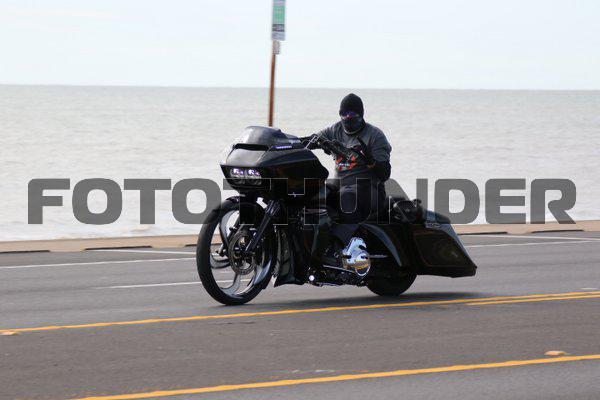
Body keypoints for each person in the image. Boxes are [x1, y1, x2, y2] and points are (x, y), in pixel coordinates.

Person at [305, 93, 392, 265]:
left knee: (347, 195)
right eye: (344, 114)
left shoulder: (375, 136)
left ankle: (341, 249)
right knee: (315, 193)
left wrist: (371, 162)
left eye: (352, 114)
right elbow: (312, 140)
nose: (347, 118)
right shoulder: (334, 130)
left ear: (361, 115)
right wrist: (290, 144)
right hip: (341, 185)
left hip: (370, 189)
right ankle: (313, 245)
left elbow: (385, 174)